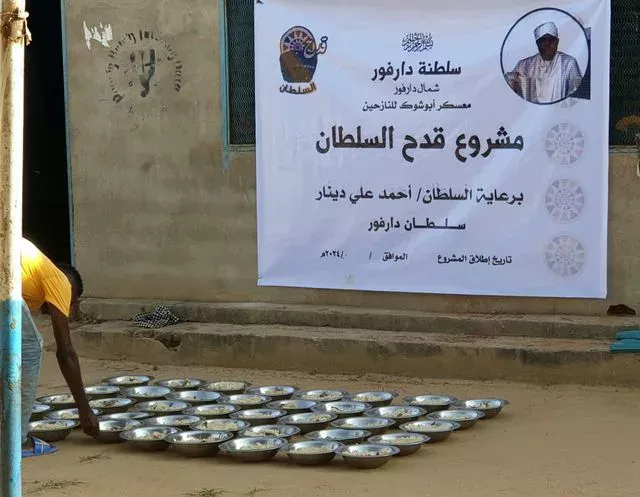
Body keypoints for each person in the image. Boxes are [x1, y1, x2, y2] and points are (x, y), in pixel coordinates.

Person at [19, 237, 99, 457]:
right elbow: (65, 353)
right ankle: (18, 440)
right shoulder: (60, 282)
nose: (67, 308)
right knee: (30, 349)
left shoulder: (33, 275)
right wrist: (84, 409)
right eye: (71, 302)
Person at [504, 21, 583, 104]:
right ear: (537, 43)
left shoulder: (569, 63)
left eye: (551, 39)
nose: (547, 43)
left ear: (557, 42)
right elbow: (508, 84)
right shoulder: (524, 65)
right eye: (543, 40)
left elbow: (577, 95)